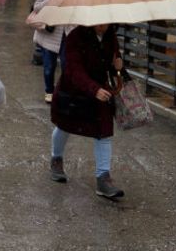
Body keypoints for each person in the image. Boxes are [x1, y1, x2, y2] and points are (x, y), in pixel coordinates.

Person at [49, 23, 125, 199]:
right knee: (64, 127)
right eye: (100, 23)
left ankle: (103, 178)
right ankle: (56, 158)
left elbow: (113, 64)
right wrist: (93, 89)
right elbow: (73, 69)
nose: (103, 27)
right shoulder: (76, 36)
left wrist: (118, 66)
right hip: (73, 91)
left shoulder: (110, 36)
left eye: (106, 22)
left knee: (104, 132)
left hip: (100, 93)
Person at [32, 0, 76, 103]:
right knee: (49, 68)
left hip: (67, 35)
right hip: (50, 35)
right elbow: (36, 7)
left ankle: (64, 91)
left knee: (66, 66)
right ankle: (49, 91)